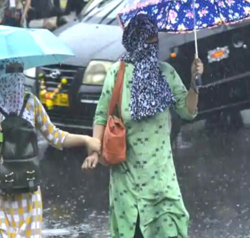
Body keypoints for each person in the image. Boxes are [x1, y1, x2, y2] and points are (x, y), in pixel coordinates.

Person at [82, 14, 204, 238]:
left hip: (162, 184)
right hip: (127, 188)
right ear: (135, 40)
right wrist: (94, 149)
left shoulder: (165, 73)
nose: (152, 45)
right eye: (147, 40)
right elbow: (101, 115)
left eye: (154, 40)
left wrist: (194, 83)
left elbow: (187, 112)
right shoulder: (117, 74)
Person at [0, 58, 101, 238]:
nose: (13, 77)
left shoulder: (31, 103)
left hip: (26, 189)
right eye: (8, 71)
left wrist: (85, 139)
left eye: (18, 70)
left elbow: (55, 136)